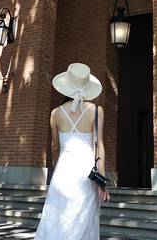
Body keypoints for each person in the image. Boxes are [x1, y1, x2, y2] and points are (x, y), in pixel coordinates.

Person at [35, 63, 110, 240]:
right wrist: (102, 180)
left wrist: (56, 164)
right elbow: (99, 146)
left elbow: (55, 146)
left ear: (66, 86)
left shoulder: (55, 113)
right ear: (87, 87)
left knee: (57, 217)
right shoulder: (96, 111)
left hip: (63, 171)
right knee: (84, 219)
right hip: (86, 171)